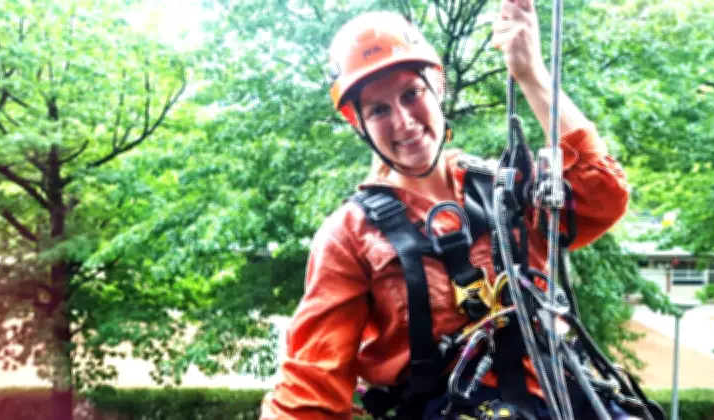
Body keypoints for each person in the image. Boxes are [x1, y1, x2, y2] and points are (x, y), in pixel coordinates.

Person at [261, 1, 631, 418]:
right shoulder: (350, 236)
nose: (403, 121)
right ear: (357, 123)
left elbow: (602, 196)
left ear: (437, 87)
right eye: (379, 110)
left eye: (411, 94)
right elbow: (311, 383)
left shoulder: (504, 189)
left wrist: (531, 74)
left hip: (568, 397)